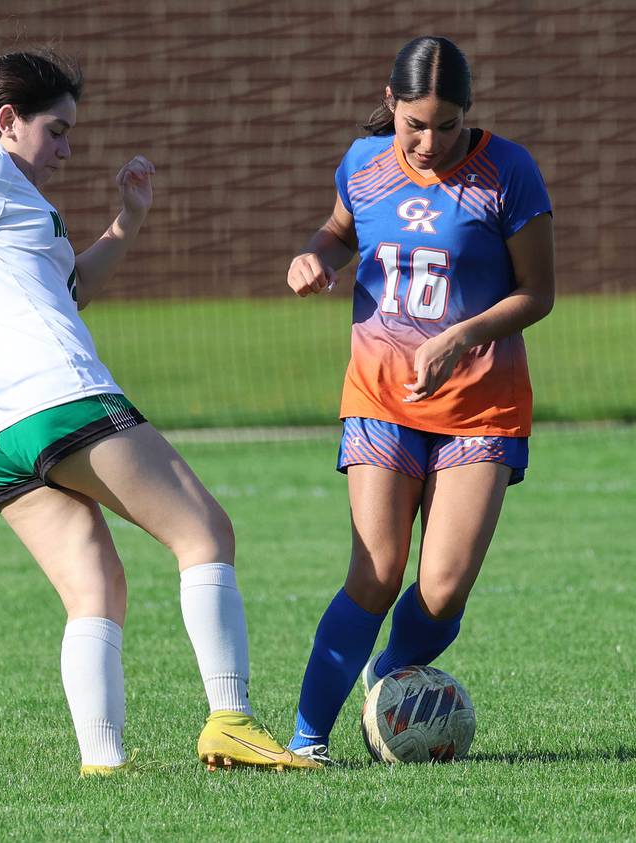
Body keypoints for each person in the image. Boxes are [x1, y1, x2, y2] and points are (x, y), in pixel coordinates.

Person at [0, 50, 318, 775]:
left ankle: (104, 765)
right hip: (57, 396)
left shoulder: (12, 198)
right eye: (56, 131)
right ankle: (231, 720)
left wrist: (128, 220)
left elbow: (74, 286)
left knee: (97, 586)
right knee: (206, 533)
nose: (67, 149)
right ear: (9, 122)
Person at [285, 36, 554, 763]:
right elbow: (340, 232)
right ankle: (307, 740)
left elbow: (539, 292)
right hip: (380, 397)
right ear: (390, 103)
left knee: (441, 589)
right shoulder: (361, 167)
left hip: (482, 407)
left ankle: (386, 688)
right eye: (416, 124)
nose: (431, 141)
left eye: (448, 125)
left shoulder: (509, 171)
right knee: (374, 573)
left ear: (469, 114)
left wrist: (464, 335)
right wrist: (316, 256)